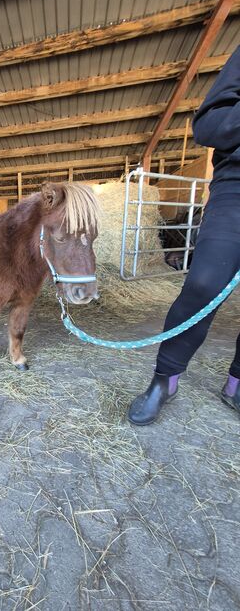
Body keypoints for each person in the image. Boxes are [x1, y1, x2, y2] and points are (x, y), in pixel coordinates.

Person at [128, 45, 240, 425]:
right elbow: (210, 125)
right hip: (236, 186)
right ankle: (165, 379)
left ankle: (236, 383)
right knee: (204, 284)